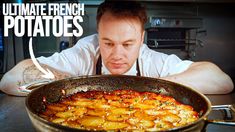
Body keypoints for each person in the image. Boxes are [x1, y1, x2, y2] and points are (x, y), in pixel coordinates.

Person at [0, 1, 234, 96]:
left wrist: (155, 86)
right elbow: (10, 79)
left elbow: (221, 81)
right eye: (108, 43)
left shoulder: (151, 60)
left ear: (141, 39)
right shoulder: (85, 52)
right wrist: (72, 83)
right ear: (97, 36)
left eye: (128, 44)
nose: (117, 54)